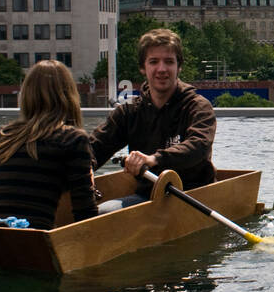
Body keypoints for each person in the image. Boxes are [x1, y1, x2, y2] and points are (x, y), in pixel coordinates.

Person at [90, 28, 217, 211]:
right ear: (143, 67)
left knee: (104, 212)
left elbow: (198, 146)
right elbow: (95, 147)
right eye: (154, 62)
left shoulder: (198, 107)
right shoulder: (129, 112)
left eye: (169, 62)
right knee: (96, 211)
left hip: (194, 197)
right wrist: (85, 166)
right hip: (148, 196)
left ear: (178, 67)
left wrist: (154, 159)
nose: (162, 69)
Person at [0, 60, 99, 230]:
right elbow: (85, 214)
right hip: (33, 238)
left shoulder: (4, 135)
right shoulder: (73, 139)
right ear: (69, 96)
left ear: (26, 95)